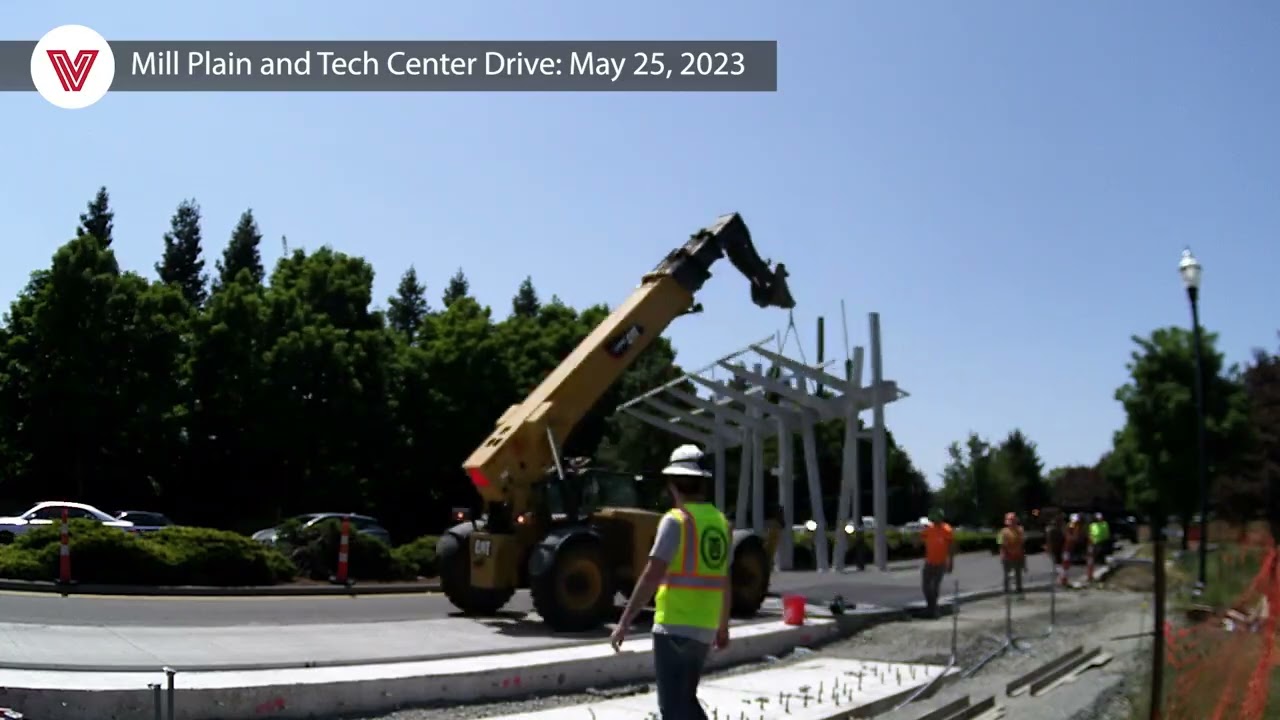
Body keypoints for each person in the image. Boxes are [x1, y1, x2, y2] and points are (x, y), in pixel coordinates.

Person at [612, 444, 731, 719]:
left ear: (673, 484)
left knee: (673, 707)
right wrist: (723, 626)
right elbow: (724, 580)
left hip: (674, 626)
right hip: (704, 627)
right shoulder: (721, 524)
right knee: (685, 700)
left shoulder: (676, 521)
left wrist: (625, 620)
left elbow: (652, 574)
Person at [919, 510, 954, 618]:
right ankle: (931, 608)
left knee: (934, 587)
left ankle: (933, 610)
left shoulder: (947, 529)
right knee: (926, 586)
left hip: (941, 563)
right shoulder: (929, 529)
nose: (934, 520)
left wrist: (951, 562)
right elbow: (920, 539)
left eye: (936, 518)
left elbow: (951, 547)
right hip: (929, 562)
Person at [998, 512, 1026, 598]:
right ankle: (1006, 592)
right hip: (1007, 556)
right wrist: (1004, 553)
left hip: (1018, 555)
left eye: (1013, 520)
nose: (1012, 522)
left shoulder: (1020, 530)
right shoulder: (1002, 531)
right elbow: (1000, 544)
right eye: (1010, 520)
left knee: (1018, 574)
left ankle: (1019, 590)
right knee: (1007, 574)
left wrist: (1022, 556)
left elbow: (1022, 543)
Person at [1087, 512, 1111, 582]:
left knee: (1096, 558)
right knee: (1091, 558)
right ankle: (1090, 575)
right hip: (1094, 543)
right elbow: (1090, 534)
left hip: (1102, 543)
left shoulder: (1104, 524)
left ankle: (1091, 574)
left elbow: (1106, 534)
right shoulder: (1093, 525)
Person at [1045, 513, 1067, 587]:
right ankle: (1062, 578)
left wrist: (1048, 548)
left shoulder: (1050, 529)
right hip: (1059, 548)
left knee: (1057, 564)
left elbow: (1049, 540)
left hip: (1056, 548)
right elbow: (1064, 538)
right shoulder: (1059, 529)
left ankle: (1062, 578)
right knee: (1059, 564)